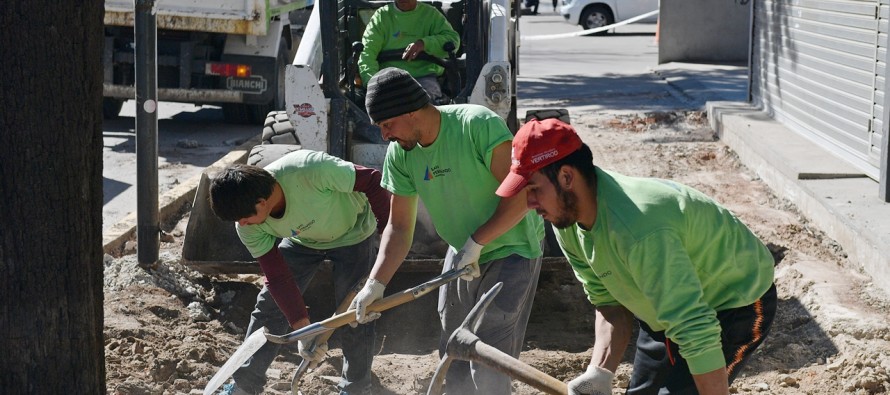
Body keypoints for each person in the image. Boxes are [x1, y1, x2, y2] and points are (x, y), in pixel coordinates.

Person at [495, 118, 778, 395]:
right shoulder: (567, 220)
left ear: (567, 177)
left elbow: (696, 330)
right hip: (666, 309)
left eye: (533, 189)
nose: (530, 204)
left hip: (734, 301)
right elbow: (607, 302)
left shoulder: (639, 228)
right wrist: (599, 373)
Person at [348, 67, 545, 394]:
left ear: (411, 112)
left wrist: (477, 242)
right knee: (453, 349)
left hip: (513, 248)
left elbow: (524, 194)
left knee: (487, 353)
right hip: (463, 250)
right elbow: (399, 227)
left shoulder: (477, 125)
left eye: (387, 125)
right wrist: (375, 283)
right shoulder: (401, 154)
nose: (384, 136)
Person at [208, 150, 391, 395]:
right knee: (268, 307)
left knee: (359, 311)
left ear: (262, 203)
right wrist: (304, 329)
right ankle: (244, 385)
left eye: (244, 218)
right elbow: (277, 277)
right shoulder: (247, 225)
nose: (242, 224)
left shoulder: (309, 170)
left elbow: (372, 180)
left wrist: (387, 232)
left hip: (354, 234)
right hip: (302, 241)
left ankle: (356, 388)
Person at [357, 0, 460, 103]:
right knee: (387, 105)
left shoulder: (431, 15)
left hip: (424, 77)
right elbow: (367, 53)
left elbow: (453, 40)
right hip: (389, 79)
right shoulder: (381, 17)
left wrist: (424, 44)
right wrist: (374, 85)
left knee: (425, 103)